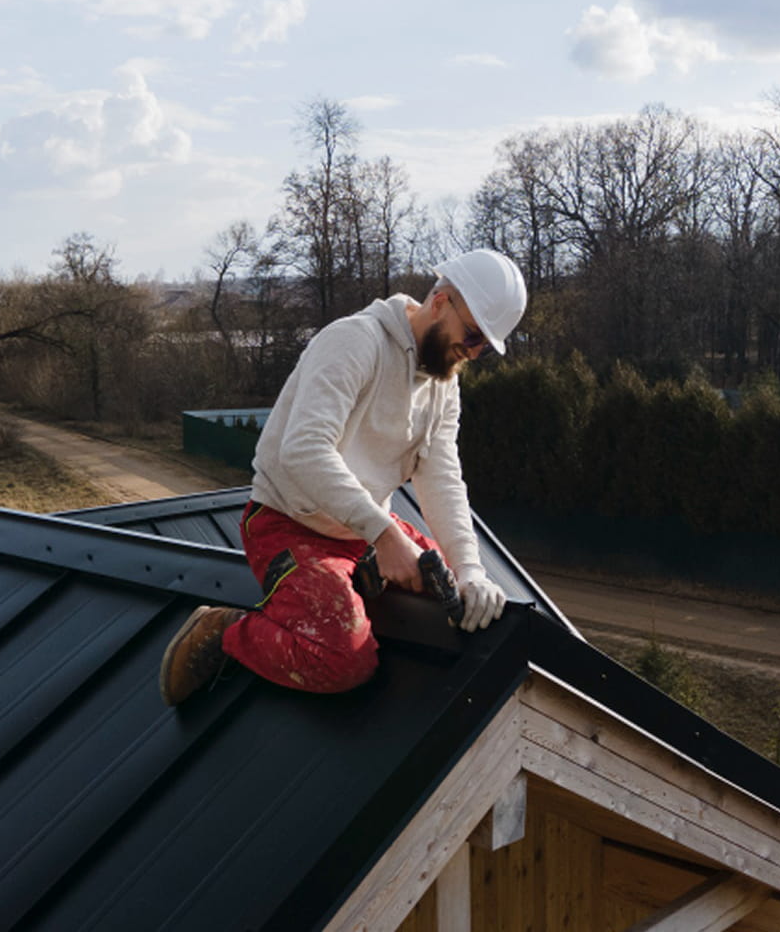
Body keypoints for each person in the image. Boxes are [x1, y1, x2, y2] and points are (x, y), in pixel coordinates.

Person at [158, 249, 527, 705]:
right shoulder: (356, 342)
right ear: (441, 301)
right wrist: (386, 536)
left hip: (363, 532)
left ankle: (365, 573)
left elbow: (443, 478)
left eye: (484, 347)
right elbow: (304, 451)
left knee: (454, 603)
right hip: (289, 524)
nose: (471, 353)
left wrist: (470, 569)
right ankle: (224, 631)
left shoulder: (442, 384)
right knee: (342, 662)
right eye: (472, 335)